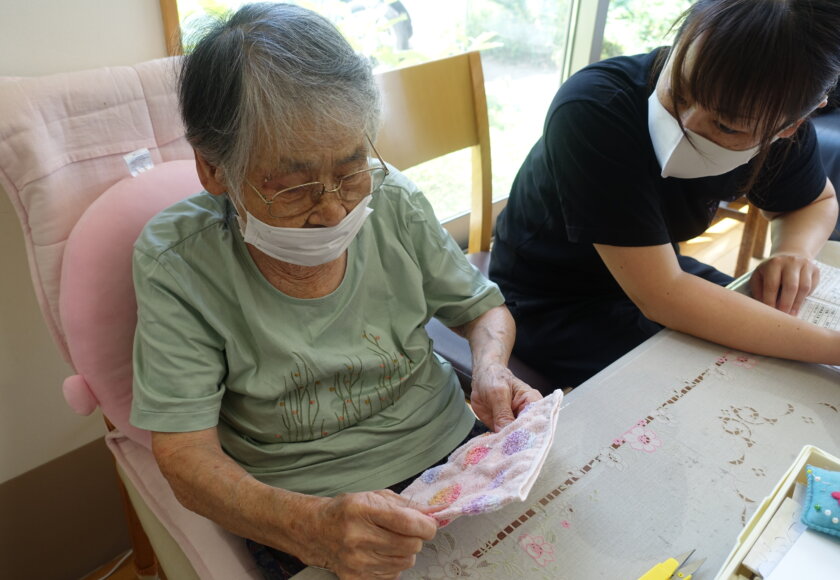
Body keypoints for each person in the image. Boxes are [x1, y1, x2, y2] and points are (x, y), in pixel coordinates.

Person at [129, 4, 541, 579]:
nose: (333, 210)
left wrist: (491, 368)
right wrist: (309, 526)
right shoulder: (179, 263)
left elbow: (481, 309)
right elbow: (183, 455)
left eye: (350, 172)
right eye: (292, 188)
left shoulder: (393, 202)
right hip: (306, 507)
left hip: (454, 448)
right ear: (213, 169)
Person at [489, 0, 840, 388]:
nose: (687, 123)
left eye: (726, 126)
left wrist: (793, 251)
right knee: (736, 385)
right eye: (680, 93)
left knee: (780, 358)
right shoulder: (594, 109)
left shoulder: (773, 120)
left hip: (658, 270)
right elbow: (663, 297)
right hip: (552, 301)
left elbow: (814, 202)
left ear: (790, 126)